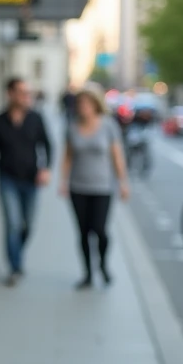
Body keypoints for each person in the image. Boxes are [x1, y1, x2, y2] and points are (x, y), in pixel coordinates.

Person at [59, 83, 129, 288]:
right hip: (78, 187)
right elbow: (68, 157)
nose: (83, 106)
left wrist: (123, 182)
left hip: (102, 187)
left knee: (100, 230)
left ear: (96, 104)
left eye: (87, 102)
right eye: (80, 102)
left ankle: (103, 265)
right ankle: (88, 273)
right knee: (83, 232)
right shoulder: (72, 126)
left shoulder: (108, 125)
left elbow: (117, 156)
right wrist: (63, 181)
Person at [0, 77, 52, 286]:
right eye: (22, 92)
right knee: (13, 224)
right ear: (11, 94)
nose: (26, 97)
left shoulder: (36, 118)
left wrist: (46, 169)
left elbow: (48, 145)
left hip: (31, 180)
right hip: (8, 180)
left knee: (28, 225)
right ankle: (15, 267)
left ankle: (17, 253)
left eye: (28, 93)